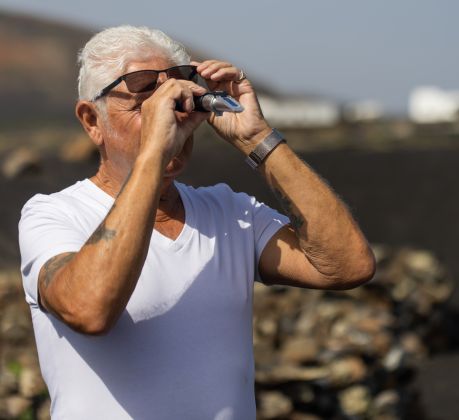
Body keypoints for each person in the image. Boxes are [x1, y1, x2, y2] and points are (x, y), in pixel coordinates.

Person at [18, 25, 375, 420]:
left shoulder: (229, 211)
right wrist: (154, 149)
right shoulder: (54, 214)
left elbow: (347, 266)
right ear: (91, 120)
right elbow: (89, 310)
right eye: (144, 101)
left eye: (179, 94)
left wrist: (257, 138)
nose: (171, 115)